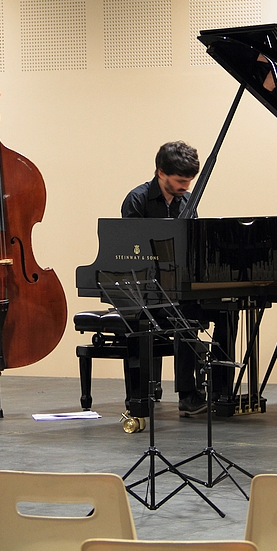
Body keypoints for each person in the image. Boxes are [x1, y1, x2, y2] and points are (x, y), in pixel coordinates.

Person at [121, 141, 208, 415]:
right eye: (180, 180)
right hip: (144, 291)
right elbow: (130, 253)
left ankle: (216, 391)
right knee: (184, 319)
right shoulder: (137, 200)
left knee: (216, 310)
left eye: (189, 181)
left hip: (176, 289)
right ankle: (186, 394)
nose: (185, 186)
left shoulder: (186, 201)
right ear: (161, 173)